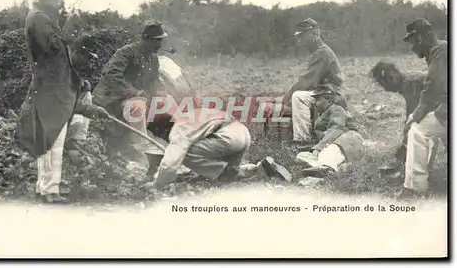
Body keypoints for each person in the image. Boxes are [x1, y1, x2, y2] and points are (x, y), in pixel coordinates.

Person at [15, 0, 110, 204]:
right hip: (50, 87)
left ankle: (45, 186)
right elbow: (55, 54)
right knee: (51, 138)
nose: (61, 0)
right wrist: (70, 29)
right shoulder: (39, 19)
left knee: (50, 138)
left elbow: (60, 59)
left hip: (52, 86)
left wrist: (76, 82)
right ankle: (49, 190)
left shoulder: (43, 18)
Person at [144, 106, 292, 189]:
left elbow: (170, 163)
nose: (162, 139)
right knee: (233, 176)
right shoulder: (188, 117)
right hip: (241, 133)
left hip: (229, 138)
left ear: (162, 130)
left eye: (158, 135)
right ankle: (259, 169)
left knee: (184, 153)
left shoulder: (178, 130)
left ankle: (222, 172)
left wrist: (157, 184)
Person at [92, 22, 168, 166]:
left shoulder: (153, 58)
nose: (160, 44)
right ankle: (141, 152)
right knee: (137, 107)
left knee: (167, 103)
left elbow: (154, 80)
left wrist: (162, 94)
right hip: (113, 98)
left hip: (135, 98)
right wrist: (134, 92)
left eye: (161, 40)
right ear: (147, 39)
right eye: (157, 40)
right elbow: (112, 76)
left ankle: (166, 148)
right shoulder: (126, 53)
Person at [398, 18, 447, 199]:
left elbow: (432, 87)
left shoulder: (441, 51)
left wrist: (415, 115)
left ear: (423, 37)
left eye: (414, 41)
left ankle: (415, 188)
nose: (412, 47)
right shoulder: (441, 50)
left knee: (417, 129)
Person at [281, 18, 344, 147]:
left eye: (303, 36)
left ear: (314, 34)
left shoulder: (322, 53)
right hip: (324, 93)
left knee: (298, 97)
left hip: (330, 96)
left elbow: (306, 80)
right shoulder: (318, 52)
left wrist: (286, 97)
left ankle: (302, 141)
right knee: (299, 95)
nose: (301, 41)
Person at [295, 92, 364, 178]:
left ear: (328, 101)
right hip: (332, 141)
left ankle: (326, 168)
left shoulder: (337, 109)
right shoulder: (322, 114)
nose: (314, 102)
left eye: (318, 99)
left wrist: (318, 148)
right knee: (301, 156)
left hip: (348, 138)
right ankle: (324, 167)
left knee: (331, 151)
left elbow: (336, 129)